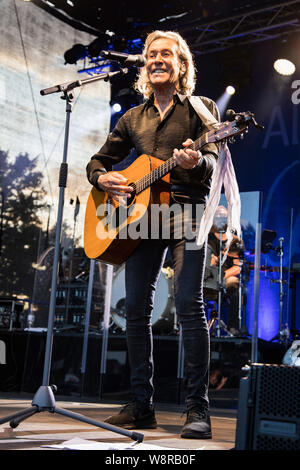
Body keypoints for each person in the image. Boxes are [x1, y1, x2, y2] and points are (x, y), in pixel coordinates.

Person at [86, 30, 220, 439]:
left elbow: (212, 164)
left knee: (187, 303)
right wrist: (104, 178)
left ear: (182, 66)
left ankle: (198, 409)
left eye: (167, 54)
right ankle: (140, 406)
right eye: (151, 54)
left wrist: (195, 161)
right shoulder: (131, 118)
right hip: (141, 220)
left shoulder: (203, 108)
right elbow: (97, 161)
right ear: (145, 65)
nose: (158, 59)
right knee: (136, 310)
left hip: (187, 210)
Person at [207, 206, 243, 336]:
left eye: (223, 217)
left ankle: (233, 326)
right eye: (218, 216)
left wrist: (222, 275)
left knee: (234, 285)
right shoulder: (208, 238)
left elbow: (238, 266)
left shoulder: (234, 240)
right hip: (207, 275)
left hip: (226, 276)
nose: (220, 219)